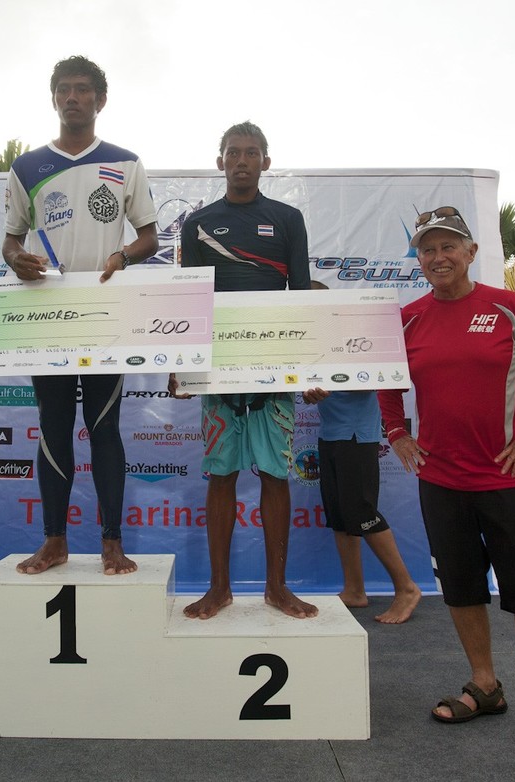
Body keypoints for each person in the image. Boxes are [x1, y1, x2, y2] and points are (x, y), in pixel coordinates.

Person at [378, 206, 515, 765]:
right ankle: (485, 685)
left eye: (449, 246)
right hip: (440, 480)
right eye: (427, 249)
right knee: (462, 586)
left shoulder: (507, 308)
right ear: (418, 259)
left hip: (505, 477)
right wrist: (397, 432)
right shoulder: (407, 319)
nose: (438, 257)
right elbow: (385, 381)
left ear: (471, 253)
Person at [2, 55, 158, 576]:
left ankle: (112, 543)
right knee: (53, 427)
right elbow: (10, 241)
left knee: (104, 427)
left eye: (83, 90)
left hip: (104, 313)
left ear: (100, 100)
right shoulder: (27, 167)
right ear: (53, 98)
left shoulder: (126, 162)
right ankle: (55, 542)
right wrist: (16, 260)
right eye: (64, 89)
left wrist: (124, 256)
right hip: (48, 315)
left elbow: (149, 236)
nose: (73, 97)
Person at [169, 121, 317, 620]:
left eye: (251, 153)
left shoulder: (287, 218)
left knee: (276, 477)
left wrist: (311, 368)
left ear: (265, 163)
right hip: (217, 371)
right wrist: (181, 366)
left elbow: (301, 295)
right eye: (233, 152)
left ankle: (277, 587)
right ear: (220, 162)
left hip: (274, 371)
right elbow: (190, 301)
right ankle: (219, 589)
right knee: (221, 475)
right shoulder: (198, 224)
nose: (241, 160)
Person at [300, 387, 421, 623]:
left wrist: (333, 383)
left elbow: (378, 379)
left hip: (357, 433)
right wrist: (310, 392)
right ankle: (354, 590)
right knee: (339, 516)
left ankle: (406, 588)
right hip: (329, 432)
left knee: (362, 511)